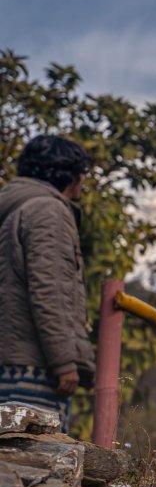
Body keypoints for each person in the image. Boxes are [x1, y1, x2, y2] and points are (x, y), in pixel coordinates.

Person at [0, 135, 95, 432]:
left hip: (7, 365)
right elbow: (49, 291)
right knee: (35, 466)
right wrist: (64, 360)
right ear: (68, 174)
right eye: (82, 172)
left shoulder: (14, 207)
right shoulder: (47, 212)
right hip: (31, 367)